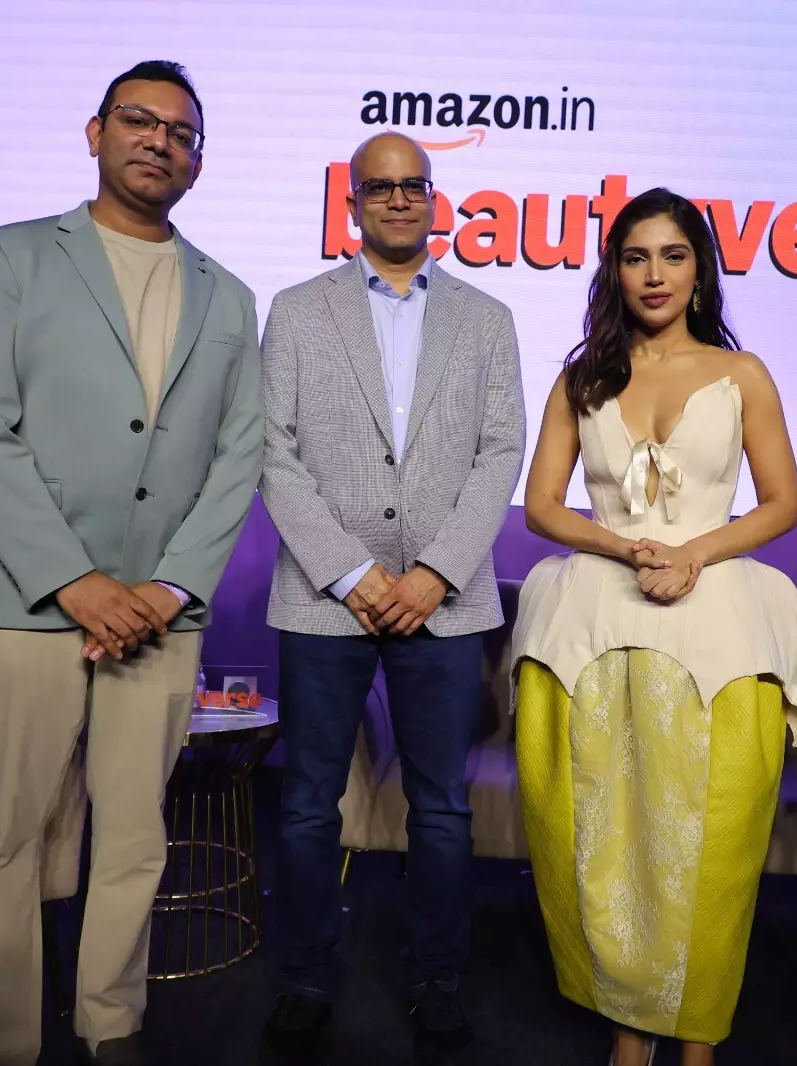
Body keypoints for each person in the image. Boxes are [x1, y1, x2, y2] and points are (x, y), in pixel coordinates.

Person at [0, 61, 263, 1066]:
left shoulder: (229, 295)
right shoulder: (14, 255)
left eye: (181, 132)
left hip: (161, 618)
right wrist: (73, 580)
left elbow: (239, 455)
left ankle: (110, 1025)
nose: (159, 140)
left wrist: (167, 587)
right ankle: (1, 1043)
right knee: (9, 837)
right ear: (95, 132)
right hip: (28, 605)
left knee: (133, 837)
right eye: (138, 120)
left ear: (198, 162)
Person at [512, 188, 797, 1066]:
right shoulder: (582, 378)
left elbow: (783, 502)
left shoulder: (743, 373)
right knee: (608, 839)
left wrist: (694, 554)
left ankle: (699, 1033)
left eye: (673, 255)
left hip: (718, 619)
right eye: (636, 256)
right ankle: (627, 1026)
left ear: (699, 270)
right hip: (596, 614)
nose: (655, 274)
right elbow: (541, 506)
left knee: (713, 844)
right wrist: (624, 545)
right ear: (614, 270)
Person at [256, 131, 526, 1060]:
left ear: (435, 199)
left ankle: (438, 980)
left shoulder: (487, 318)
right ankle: (304, 978)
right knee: (306, 806)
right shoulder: (298, 311)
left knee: (441, 809)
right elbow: (273, 453)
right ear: (353, 203)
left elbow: (501, 452)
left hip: (443, 601)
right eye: (382, 187)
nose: (400, 199)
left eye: (415, 185)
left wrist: (435, 572)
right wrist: (352, 573)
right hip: (324, 597)